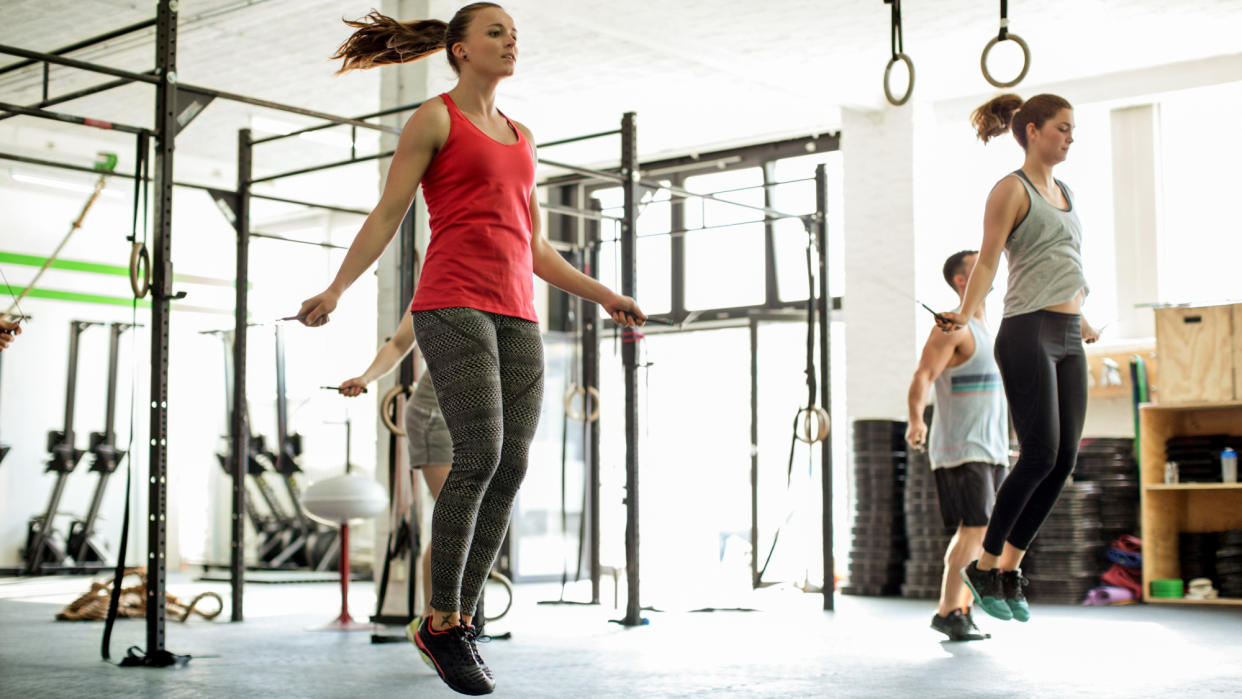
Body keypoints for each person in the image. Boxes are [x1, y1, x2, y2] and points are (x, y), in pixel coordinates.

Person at [297, 4, 645, 694]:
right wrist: (336, 288)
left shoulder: (522, 136)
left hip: (517, 312)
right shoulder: (434, 118)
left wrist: (604, 292)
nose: (511, 41)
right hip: (452, 302)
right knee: (479, 455)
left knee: (511, 465)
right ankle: (442, 622)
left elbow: (535, 244)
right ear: (458, 50)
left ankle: (463, 615)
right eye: (495, 32)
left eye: (515, 34)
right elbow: (389, 212)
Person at [937, 94, 1100, 624]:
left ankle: (1008, 568)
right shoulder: (1011, 189)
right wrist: (964, 314)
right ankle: (984, 566)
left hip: (1068, 332)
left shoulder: (1066, 193)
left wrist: (1084, 319)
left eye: (1073, 129)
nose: (1070, 137)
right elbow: (987, 262)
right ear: (1032, 130)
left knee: (1063, 461)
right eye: (1062, 128)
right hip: (1027, 329)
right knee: (1038, 453)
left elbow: (1067, 261)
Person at [906, 250, 1009, 642]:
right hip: (962, 448)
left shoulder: (985, 330)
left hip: (990, 448)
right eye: (978, 264)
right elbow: (922, 375)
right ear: (962, 281)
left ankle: (957, 609)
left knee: (975, 533)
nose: (990, 267)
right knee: (976, 530)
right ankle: (950, 611)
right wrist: (916, 420)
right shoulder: (953, 328)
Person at [337, 311, 449, 632]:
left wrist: (604, 297)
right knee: (455, 520)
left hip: (475, 420)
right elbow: (399, 343)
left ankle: (450, 622)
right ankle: (435, 627)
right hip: (435, 419)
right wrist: (366, 377)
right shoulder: (437, 284)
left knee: (475, 523)